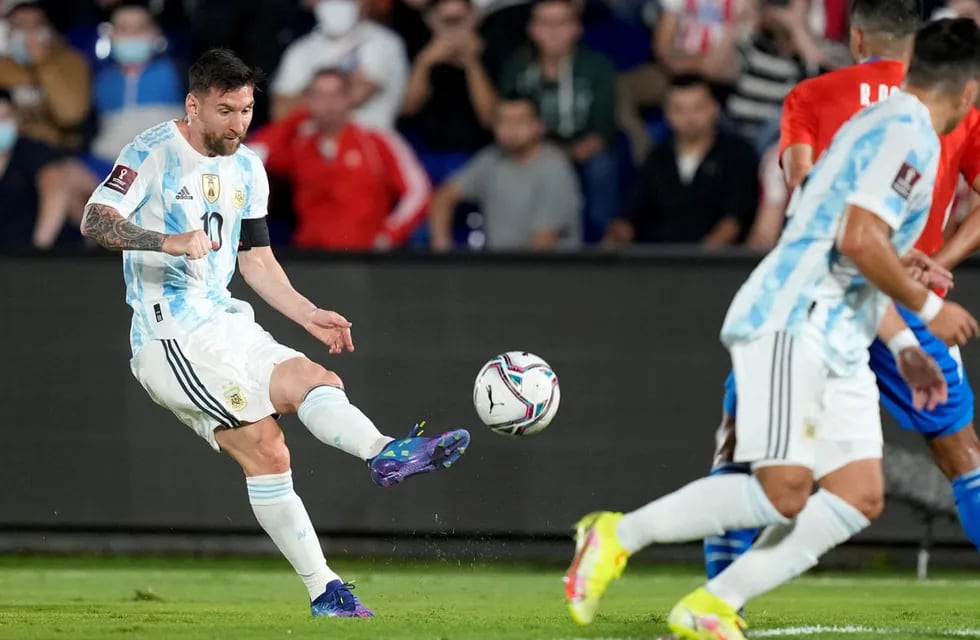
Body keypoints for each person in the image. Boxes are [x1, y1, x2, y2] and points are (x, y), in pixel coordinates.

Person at [563, 18, 980, 639]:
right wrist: (927, 310)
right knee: (783, 493)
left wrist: (899, 342)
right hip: (793, 320)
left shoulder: (883, 123)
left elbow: (851, 240)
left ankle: (713, 603)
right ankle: (616, 534)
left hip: (839, 330)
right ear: (970, 90)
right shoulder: (908, 135)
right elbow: (858, 239)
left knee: (857, 496)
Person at [79, 48, 470, 618]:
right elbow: (94, 219)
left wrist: (308, 313)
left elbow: (256, 260)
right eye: (225, 110)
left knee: (314, 377)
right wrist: (168, 241)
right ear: (194, 105)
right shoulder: (151, 152)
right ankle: (324, 589)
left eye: (247, 109)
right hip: (172, 338)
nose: (239, 124)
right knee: (267, 448)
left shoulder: (248, 167)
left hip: (227, 319)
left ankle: (386, 453)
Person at [706, 0, 980, 580]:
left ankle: (715, 596)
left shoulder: (812, 97)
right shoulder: (953, 106)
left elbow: (807, 192)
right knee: (964, 457)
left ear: (857, 39)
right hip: (903, 303)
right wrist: (932, 260)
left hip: (817, 299)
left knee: (741, 450)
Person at [250, 68, 431, 251]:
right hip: (310, 257)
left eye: (335, 95)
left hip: (364, 258)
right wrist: (296, 118)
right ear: (308, 100)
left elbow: (418, 191)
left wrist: (390, 234)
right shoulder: (300, 144)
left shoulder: (376, 140)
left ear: (348, 98)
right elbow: (252, 155)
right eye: (319, 96)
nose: (328, 104)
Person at [498, 0, 618, 243]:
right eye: (545, 23)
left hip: (583, 149)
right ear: (532, 29)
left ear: (577, 28)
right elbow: (507, 115)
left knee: (602, 167)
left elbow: (603, 128)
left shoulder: (597, 67)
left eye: (561, 23)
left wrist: (567, 154)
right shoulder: (518, 68)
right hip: (534, 148)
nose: (553, 32)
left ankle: (603, 242)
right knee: (504, 163)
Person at [603, 75, 758, 247]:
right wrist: (617, 234)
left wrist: (704, 258)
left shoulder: (737, 153)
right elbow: (633, 211)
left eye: (697, 108)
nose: (689, 117)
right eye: (679, 109)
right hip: (659, 260)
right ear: (667, 114)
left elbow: (735, 218)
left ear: (714, 108)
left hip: (717, 263)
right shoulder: (657, 157)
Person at [428, 97, 582, 250]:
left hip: (548, 269)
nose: (510, 128)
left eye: (519, 121)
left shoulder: (554, 167)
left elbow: (543, 241)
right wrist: (442, 248)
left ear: (538, 126)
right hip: (499, 268)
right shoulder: (490, 160)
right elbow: (444, 197)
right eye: (503, 121)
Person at [270, 0, 408, 129]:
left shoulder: (382, 41)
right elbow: (280, 112)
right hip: (310, 145)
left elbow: (358, 94)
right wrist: (343, 88)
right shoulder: (301, 49)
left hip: (369, 141)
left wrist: (306, 95)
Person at [401, 0, 496, 177]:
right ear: (431, 21)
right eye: (447, 22)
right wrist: (424, 64)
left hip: (478, 152)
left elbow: (490, 119)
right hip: (428, 151)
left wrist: (472, 64)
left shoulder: (490, 49)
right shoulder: (420, 51)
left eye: (459, 21)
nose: (454, 31)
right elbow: (408, 108)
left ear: (474, 17)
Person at [0, 0, 90, 150]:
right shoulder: (3, 67)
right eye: (20, 26)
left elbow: (70, 115)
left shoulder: (71, 61)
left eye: (36, 25)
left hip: (58, 149)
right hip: (11, 153)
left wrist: (42, 64)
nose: (29, 33)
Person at [0, 87, 69, 250]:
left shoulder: (33, 152)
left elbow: (55, 190)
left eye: (5, 117)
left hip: (28, 254)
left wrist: (38, 250)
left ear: (16, 118)